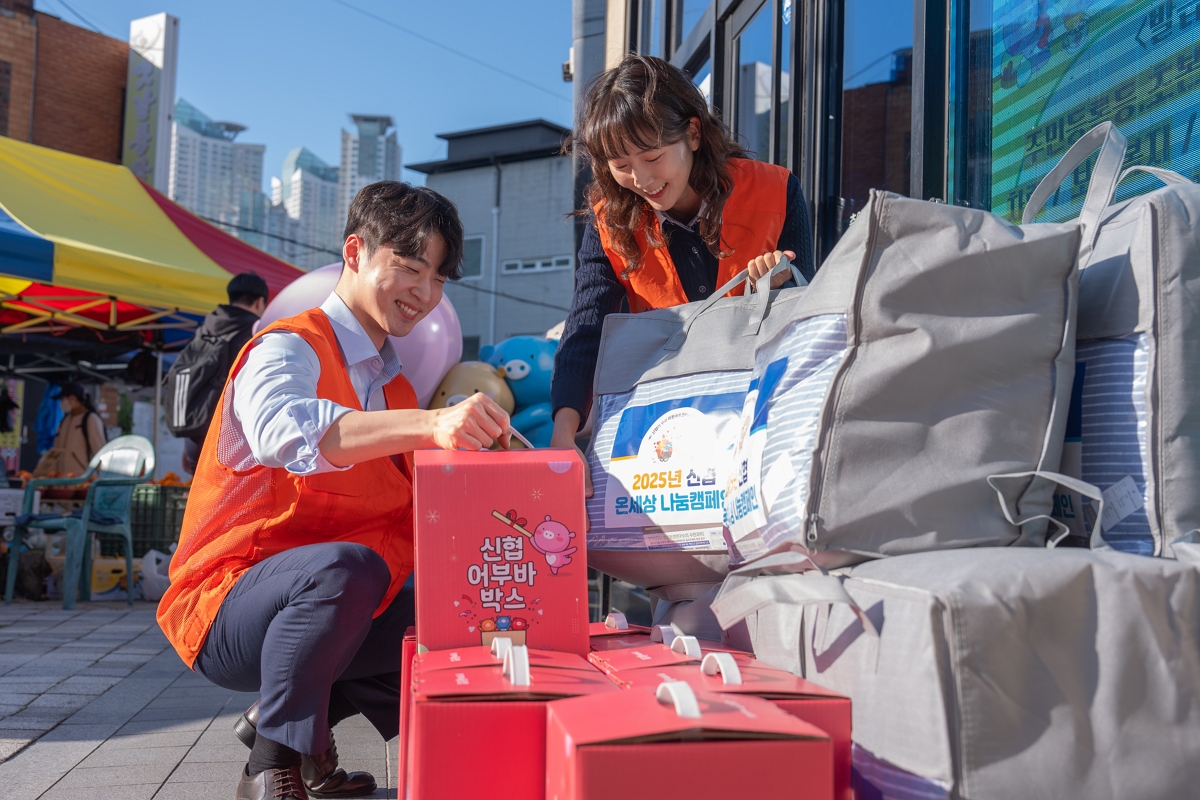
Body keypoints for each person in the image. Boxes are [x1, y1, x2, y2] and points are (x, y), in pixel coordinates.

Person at [156, 182, 512, 800]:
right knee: (345, 568)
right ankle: (273, 767)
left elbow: (418, 512)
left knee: (461, 611)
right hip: (227, 605)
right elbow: (281, 431)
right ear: (355, 251)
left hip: (334, 602)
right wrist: (433, 424)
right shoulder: (286, 347)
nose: (424, 295)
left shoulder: (396, 389)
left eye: (439, 279)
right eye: (408, 268)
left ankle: (298, 730)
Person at [550, 55, 816, 462]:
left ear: (692, 133)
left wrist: (784, 285)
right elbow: (585, 328)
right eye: (621, 166)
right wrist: (564, 435)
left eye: (653, 158)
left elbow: (809, 314)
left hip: (761, 413)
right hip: (663, 420)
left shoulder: (776, 190)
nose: (641, 180)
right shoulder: (609, 222)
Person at [166, 272, 270, 474]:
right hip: (230, 439)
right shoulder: (254, 333)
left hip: (195, 435)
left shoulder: (205, 330)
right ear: (260, 302)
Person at [36, 383, 106, 476]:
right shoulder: (64, 420)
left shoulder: (90, 419)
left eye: (63, 399)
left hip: (82, 480)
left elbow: (100, 451)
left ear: (72, 398)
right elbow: (56, 451)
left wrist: (104, 477)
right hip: (62, 482)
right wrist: (43, 472)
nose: (61, 403)